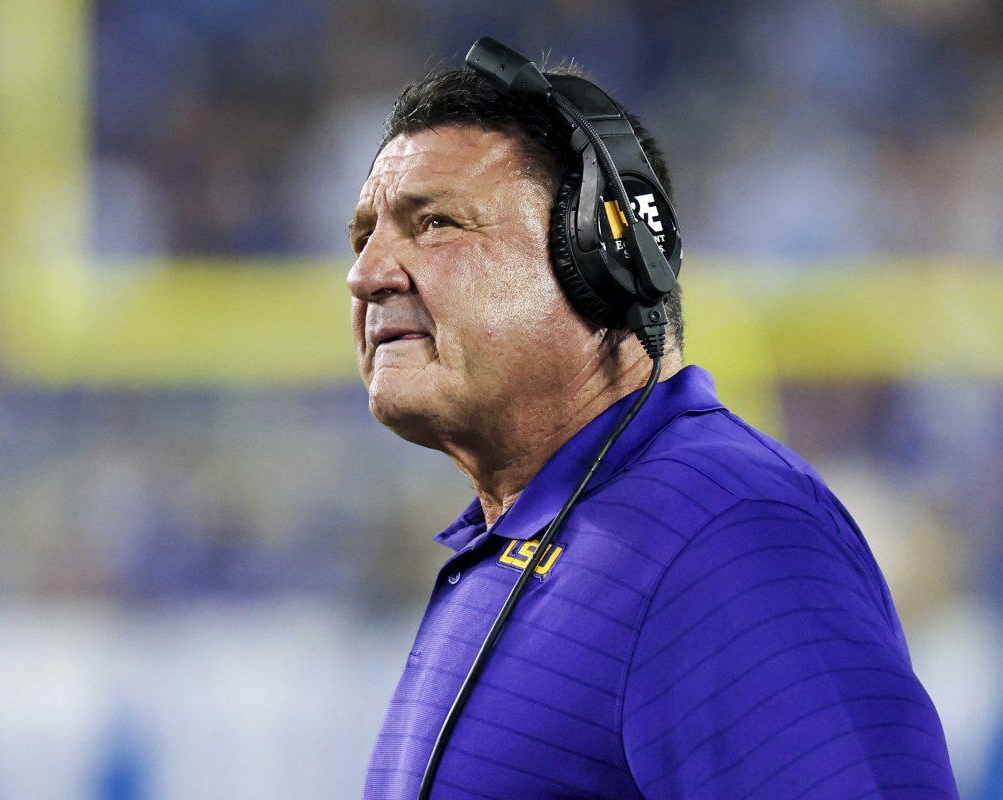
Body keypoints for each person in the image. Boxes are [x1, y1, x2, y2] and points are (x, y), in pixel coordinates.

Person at [346, 62, 959, 800]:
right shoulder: (522, 544)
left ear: (602, 262)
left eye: (436, 223)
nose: (367, 272)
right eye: (363, 236)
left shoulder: (728, 533)